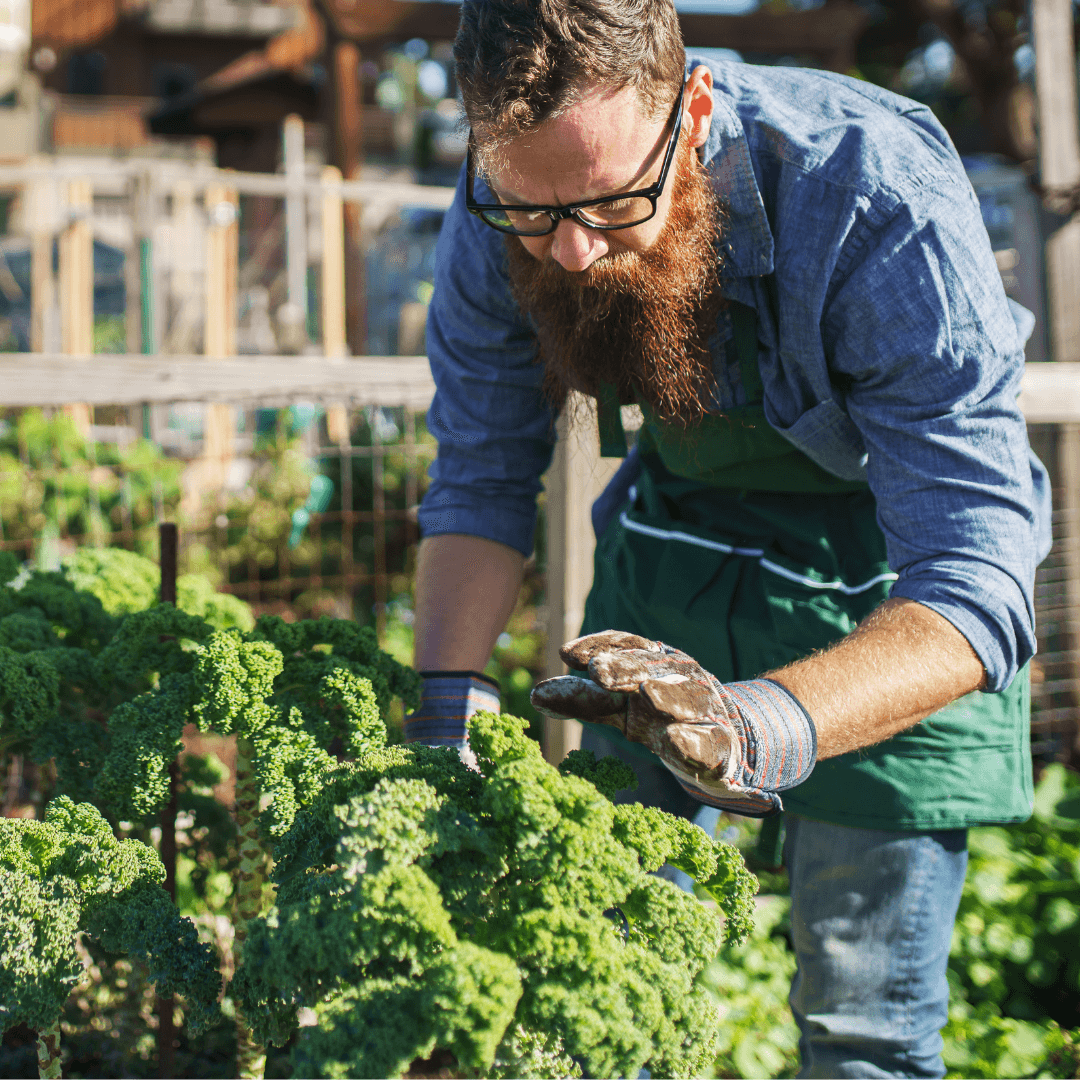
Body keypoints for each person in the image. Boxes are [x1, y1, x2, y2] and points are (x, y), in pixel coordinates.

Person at [404, 0, 1052, 1075]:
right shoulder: (495, 211)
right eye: (530, 207)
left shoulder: (873, 195)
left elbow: (977, 575)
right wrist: (443, 712)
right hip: (676, 570)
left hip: (889, 599)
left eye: (615, 204)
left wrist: (755, 729)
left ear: (692, 111)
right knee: (604, 987)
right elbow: (480, 477)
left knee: (862, 1024)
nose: (570, 252)